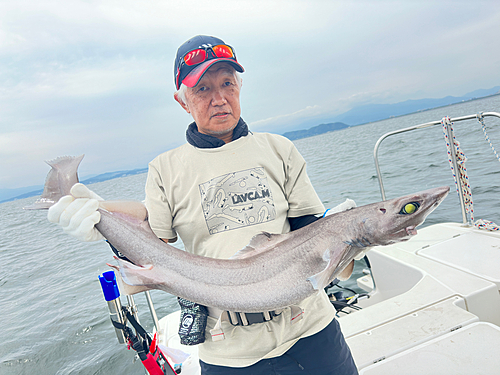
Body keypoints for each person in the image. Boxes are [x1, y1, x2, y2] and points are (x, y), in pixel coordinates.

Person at [48, 35, 358, 374]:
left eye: (227, 83)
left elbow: (308, 228)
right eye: (202, 89)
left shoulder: (278, 149)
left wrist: (345, 231)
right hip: (228, 352)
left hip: (311, 330)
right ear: (182, 100)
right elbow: (154, 244)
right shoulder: (165, 169)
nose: (220, 99)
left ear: (239, 86)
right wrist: (101, 217)